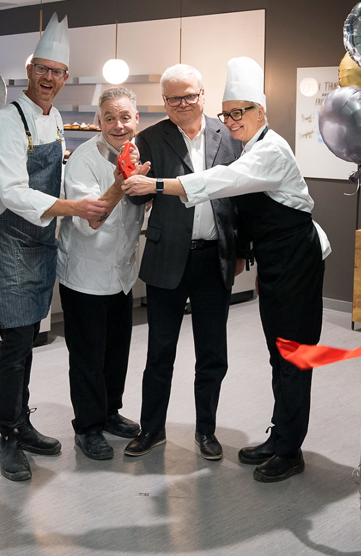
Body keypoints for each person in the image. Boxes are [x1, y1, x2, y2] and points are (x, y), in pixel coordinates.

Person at [123, 56, 331, 483]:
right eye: (229, 112)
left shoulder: (268, 150)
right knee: (279, 355)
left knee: (292, 356)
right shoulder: (247, 144)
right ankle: (279, 437)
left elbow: (220, 185)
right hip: (272, 264)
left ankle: (289, 450)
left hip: (294, 262)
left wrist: (157, 186)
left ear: (260, 112)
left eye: (241, 112)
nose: (233, 120)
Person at [0, 13, 109, 482]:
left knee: (29, 338)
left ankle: (23, 422)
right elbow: (11, 192)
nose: (49, 79)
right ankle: (8, 436)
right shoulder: (6, 122)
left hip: (39, 241)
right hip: (7, 239)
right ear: (29, 70)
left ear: (65, 78)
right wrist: (73, 207)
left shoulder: (53, 122)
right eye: (42, 69)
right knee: (14, 342)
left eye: (58, 72)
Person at [122, 64, 243, 461]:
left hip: (214, 259)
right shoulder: (150, 139)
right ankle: (152, 429)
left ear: (203, 95)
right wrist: (129, 177)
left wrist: (242, 250)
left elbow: (243, 198)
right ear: (164, 103)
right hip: (167, 257)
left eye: (189, 95)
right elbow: (138, 197)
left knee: (212, 353)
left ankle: (206, 431)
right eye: (174, 98)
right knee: (160, 351)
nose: (182, 104)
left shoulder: (229, 137)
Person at [57, 87, 149, 460]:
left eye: (125, 117)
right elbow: (91, 219)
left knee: (116, 350)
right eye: (109, 118)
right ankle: (88, 427)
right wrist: (120, 182)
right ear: (98, 122)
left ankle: (110, 412)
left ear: (136, 120)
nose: (118, 124)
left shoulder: (141, 154)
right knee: (87, 355)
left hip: (122, 275)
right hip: (86, 274)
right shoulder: (84, 159)